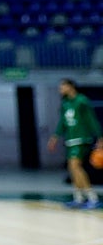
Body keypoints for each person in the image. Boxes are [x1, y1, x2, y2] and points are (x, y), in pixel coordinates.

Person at [46, 78, 103, 208]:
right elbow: (62, 123)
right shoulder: (65, 103)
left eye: (62, 86)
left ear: (70, 86)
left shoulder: (82, 101)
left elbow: (91, 120)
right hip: (70, 140)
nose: (60, 89)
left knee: (75, 166)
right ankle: (78, 198)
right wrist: (55, 137)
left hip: (82, 138)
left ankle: (92, 198)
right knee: (72, 168)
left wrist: (100, 137)